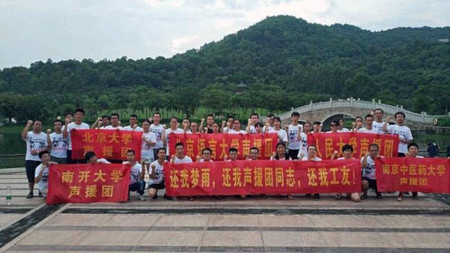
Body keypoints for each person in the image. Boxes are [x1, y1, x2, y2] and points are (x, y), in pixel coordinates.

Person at [22, 119, 48, 198]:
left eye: (39, 124)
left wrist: (37, 151)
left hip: (40, 159)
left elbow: (47, 147)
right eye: (36, 124)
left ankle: (40, 191)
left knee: (41, 176)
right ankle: (31, 192)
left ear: (41, 126)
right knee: (30, 176)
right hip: (29, 158)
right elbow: (23, 136)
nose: (38, 126)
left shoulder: (44, 135)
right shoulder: (29, 134)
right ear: (33, 126)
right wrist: (28, 125)